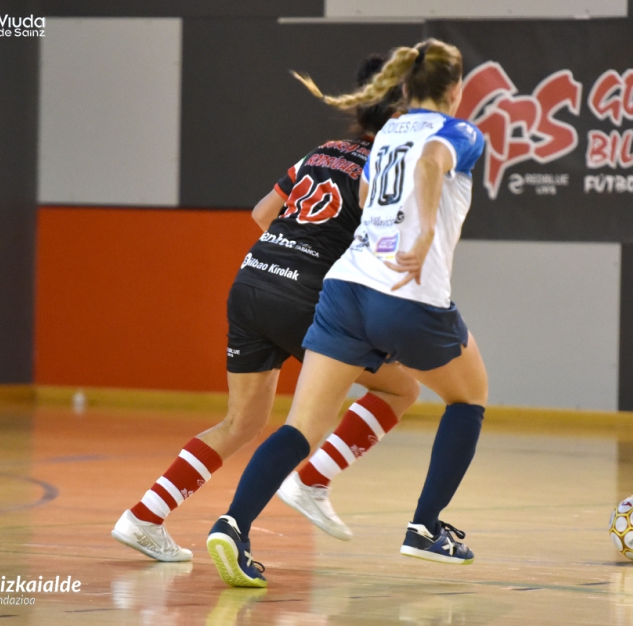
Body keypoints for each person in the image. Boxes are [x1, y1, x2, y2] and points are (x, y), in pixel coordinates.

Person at [111, 55, 420, 562]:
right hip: (306, 297)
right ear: (402, 115)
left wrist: (292, 251)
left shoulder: (323, 151)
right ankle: (312, 481)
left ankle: (144, 517)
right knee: (400, 387)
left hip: (253, 280)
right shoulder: (385, 168)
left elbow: (262, 213)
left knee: (242, 421)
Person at [207, 38, 488, 589]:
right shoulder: (460, 132)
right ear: (455, 88)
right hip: (407, 296)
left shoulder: (387, 134)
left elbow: (364, 194)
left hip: (344, 289)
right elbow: (433, 161)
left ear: (405, 85)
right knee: (469, 397)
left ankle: (232, 526)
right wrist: (423, 231)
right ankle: (426, 527)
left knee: (302, 425)